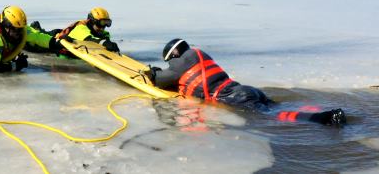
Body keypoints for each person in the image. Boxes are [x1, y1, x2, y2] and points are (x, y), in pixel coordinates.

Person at [148, 38, 346, 126]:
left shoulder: (180, 62)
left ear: (174, 54)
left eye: (170, 59)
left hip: (238, 98)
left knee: (275, 115)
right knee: (278, 106)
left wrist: (154, 72)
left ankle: (324, 118)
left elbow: (160, 80)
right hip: (246, 90)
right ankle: (315, 109)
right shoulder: (198, 54)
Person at [28, 8, 120, 57]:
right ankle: (36, 28)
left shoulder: (104, 34)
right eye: (100, 25)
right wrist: (104, 43)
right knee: (30, 45)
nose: (102, 28)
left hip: (64, 35)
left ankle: (38, 28)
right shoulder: (81, 27)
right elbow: (89, 40)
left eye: (106, 24)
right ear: (91, 22)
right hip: (54, 41)